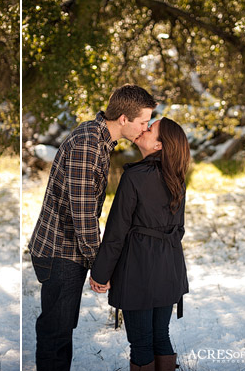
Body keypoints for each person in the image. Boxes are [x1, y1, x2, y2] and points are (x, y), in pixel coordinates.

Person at [28, 84, 157, 370]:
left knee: (61, 328)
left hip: (68, 251)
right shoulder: (88, 143)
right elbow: (83, 214)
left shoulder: (99, 139)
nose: (145, 128)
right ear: (124, 118)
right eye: (142, 122)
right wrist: (100, 266)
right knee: (56, 331)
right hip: (60, 251)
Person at [90, 117, 190, 371]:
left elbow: (116, 232)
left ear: (159, 146)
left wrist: (101, 273)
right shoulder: (178, 178)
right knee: (160, 335)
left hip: (138, 270)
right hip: (169, 268)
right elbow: (179, 229)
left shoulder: (134, 177)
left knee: (142, 342)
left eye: (150, 129)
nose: (143, 130)